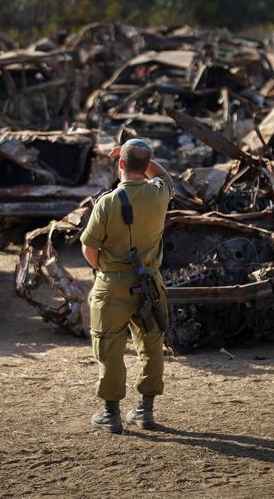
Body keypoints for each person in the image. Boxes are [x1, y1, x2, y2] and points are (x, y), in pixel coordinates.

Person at [80, 138, 173, 434]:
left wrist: (104, 271)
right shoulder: (160, 193)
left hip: (113, 284)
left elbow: (89, 249)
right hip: (150, 282)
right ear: (146, 167)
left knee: (109, 347)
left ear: (120, 164)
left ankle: (111, 415)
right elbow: (163, 176)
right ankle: (145, 411)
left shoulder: (106, 203)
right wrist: (138, 154)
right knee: (152, 344)